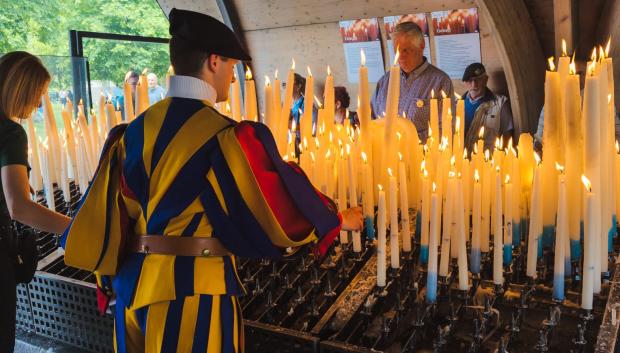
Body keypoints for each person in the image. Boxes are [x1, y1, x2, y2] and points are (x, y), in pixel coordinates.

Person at [62, 9, 363, 353]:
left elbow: (111, 214)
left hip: (131, 291)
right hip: (191, 296)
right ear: (214, 61)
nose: (233, 79)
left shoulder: (133, 132)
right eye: (233, 68)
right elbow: (276, 208)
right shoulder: (224, 136)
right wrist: (337, 218)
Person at [0, 51, 71, 352]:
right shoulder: (10, 133)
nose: (40, 104)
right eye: (38, 95)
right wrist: (76, 226)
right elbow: (19, 206)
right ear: (21, 89)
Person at [371, 21, 453, 142]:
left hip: (422, 157)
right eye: (397, 51)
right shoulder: (384, 82)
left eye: (406, 50)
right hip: (384, 155)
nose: (400, 57)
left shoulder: (440, 82)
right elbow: (372, 120)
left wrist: (408, 140)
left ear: (421, 45)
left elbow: (445, 129)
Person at [461, 63, 514, 153]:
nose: (474, 85)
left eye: (478, 80)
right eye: (470, 81)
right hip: (463, 160)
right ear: (465, 83)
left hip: (488, 162)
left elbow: (507, 135)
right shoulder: (457, 104)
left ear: (486, 80)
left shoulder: (500, 103)